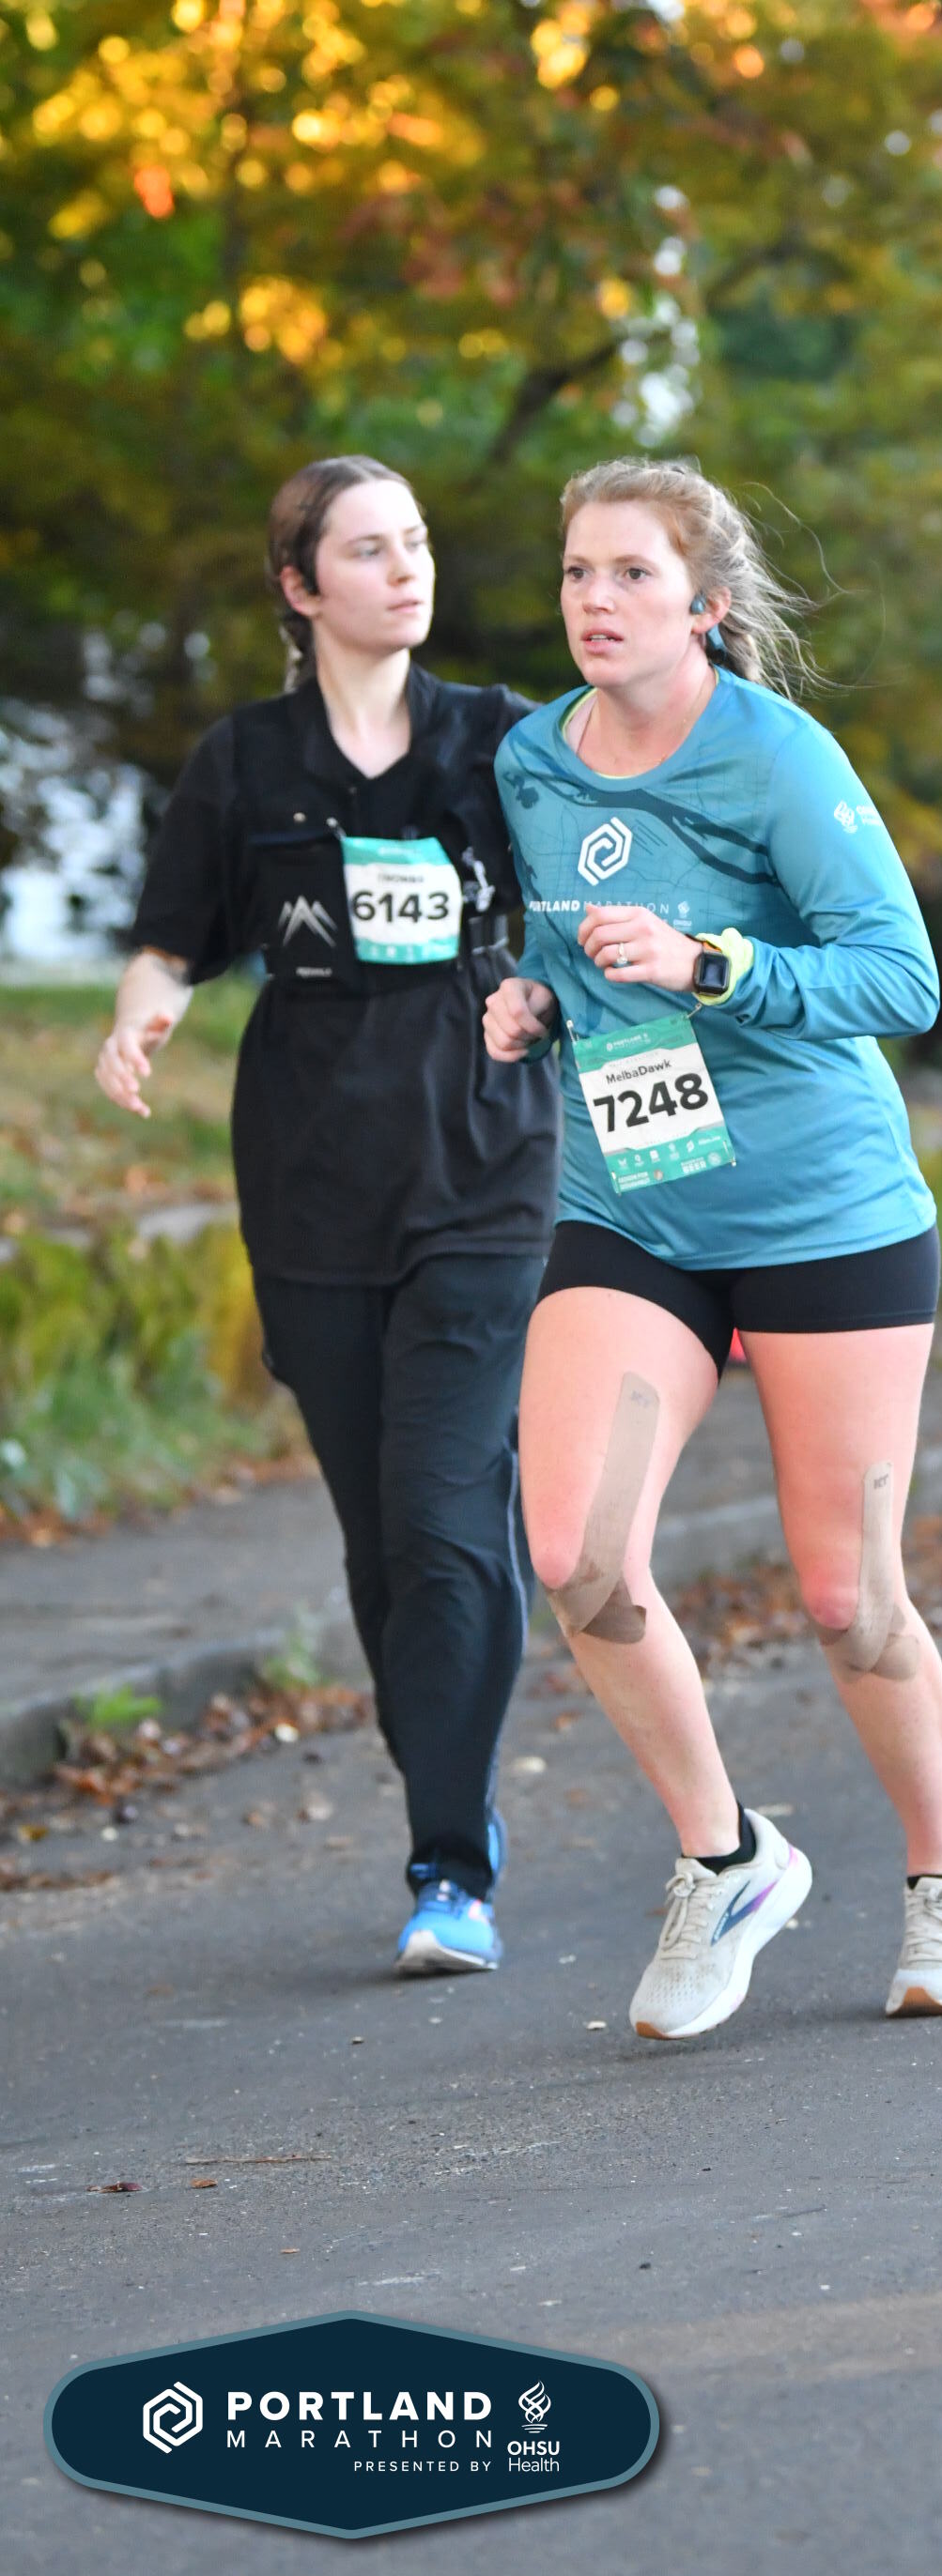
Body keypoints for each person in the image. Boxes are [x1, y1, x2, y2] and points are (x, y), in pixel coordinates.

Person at [484, 456, 942, 2040]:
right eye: (577, 572)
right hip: (637, 1203)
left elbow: (900, 978)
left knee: (848, 1596)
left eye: (632, 574)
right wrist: (535, 999)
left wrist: (713, 963)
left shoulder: (778, 757)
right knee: (575, 1552)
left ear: (704, 605)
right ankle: (726, 1859)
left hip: (817, 1217)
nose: (595, 600)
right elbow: (568, 949)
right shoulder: (531, 760)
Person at [94, 456, 560, 1972]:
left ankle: (451, 1867)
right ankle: (448, 1789)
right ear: (301, 586)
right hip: (310, 1179)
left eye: (414, 542)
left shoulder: (503, 740)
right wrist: (141, 1010)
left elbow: (600, 874)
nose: (406, 568)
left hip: (484, 1165)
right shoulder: (244, 762)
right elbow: (173, 935)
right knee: (380, 1534)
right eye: (369, 549)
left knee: (440, 1509)